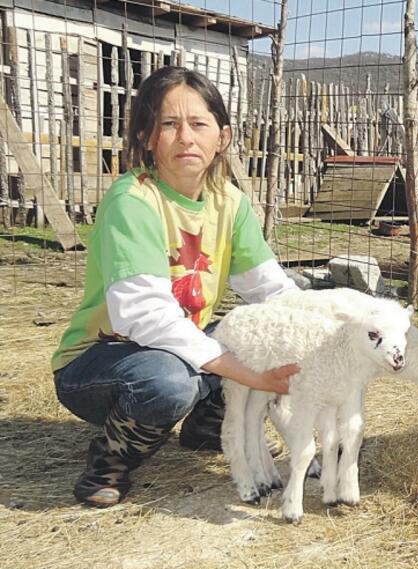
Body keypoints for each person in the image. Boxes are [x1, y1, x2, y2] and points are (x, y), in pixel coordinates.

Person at [51, 66, 300, 507]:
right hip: (101, 362)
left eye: (199, 124)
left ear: (221, 138)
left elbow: (272, 291)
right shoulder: (133, 201)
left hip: (172, 349)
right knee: (167, 383)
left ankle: (206, 427)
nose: (186, 136)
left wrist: (318, 338)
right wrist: (244, 373)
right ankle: (109, 462)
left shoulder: (229, 201)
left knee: (255, 333)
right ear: (147, 137)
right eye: (169, 124)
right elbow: (145, 316)